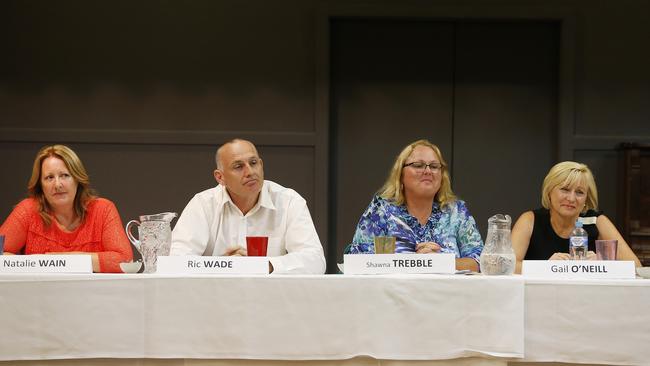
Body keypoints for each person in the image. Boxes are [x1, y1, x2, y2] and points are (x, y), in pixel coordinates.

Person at [170, 139, 326, 274]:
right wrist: (223, 265)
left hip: (273, 300)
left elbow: (315, 260)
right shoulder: (203, 204)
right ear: (220, 177)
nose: (250, 172)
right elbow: (175, 260)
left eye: (253, 163)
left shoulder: (289, 201)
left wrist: (266, 265)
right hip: (214, 299)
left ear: (261, 164)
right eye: (238, 167)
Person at [348, 139, 483, 271]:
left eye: (434, 166)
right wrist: (419, 263)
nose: (428, 171)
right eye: (418, 165)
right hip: (394, 292)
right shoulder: (381, 210)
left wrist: (440, 261)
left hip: (448, 292)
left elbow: (480, 261)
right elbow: (357, 260)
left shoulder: (456, 211)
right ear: (400, 174)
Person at [0, 145, 133, 272]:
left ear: (77, 179)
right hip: (39, 293)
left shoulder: (103, 210)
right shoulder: (28, 210)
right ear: (41, 185)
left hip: (91, 294)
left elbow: (125, 261)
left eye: (64, 175)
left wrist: (57, 260)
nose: (57, 184)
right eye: (49, 177)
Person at [511, 161, 641, 273]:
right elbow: (508, 265)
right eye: (565, 189)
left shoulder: (597, 221)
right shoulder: (530, 220)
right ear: (549, 191)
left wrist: (604, 264)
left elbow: (635, 266)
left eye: (579, 192)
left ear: (586, 198)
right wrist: (546, 267)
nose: (571, 198)